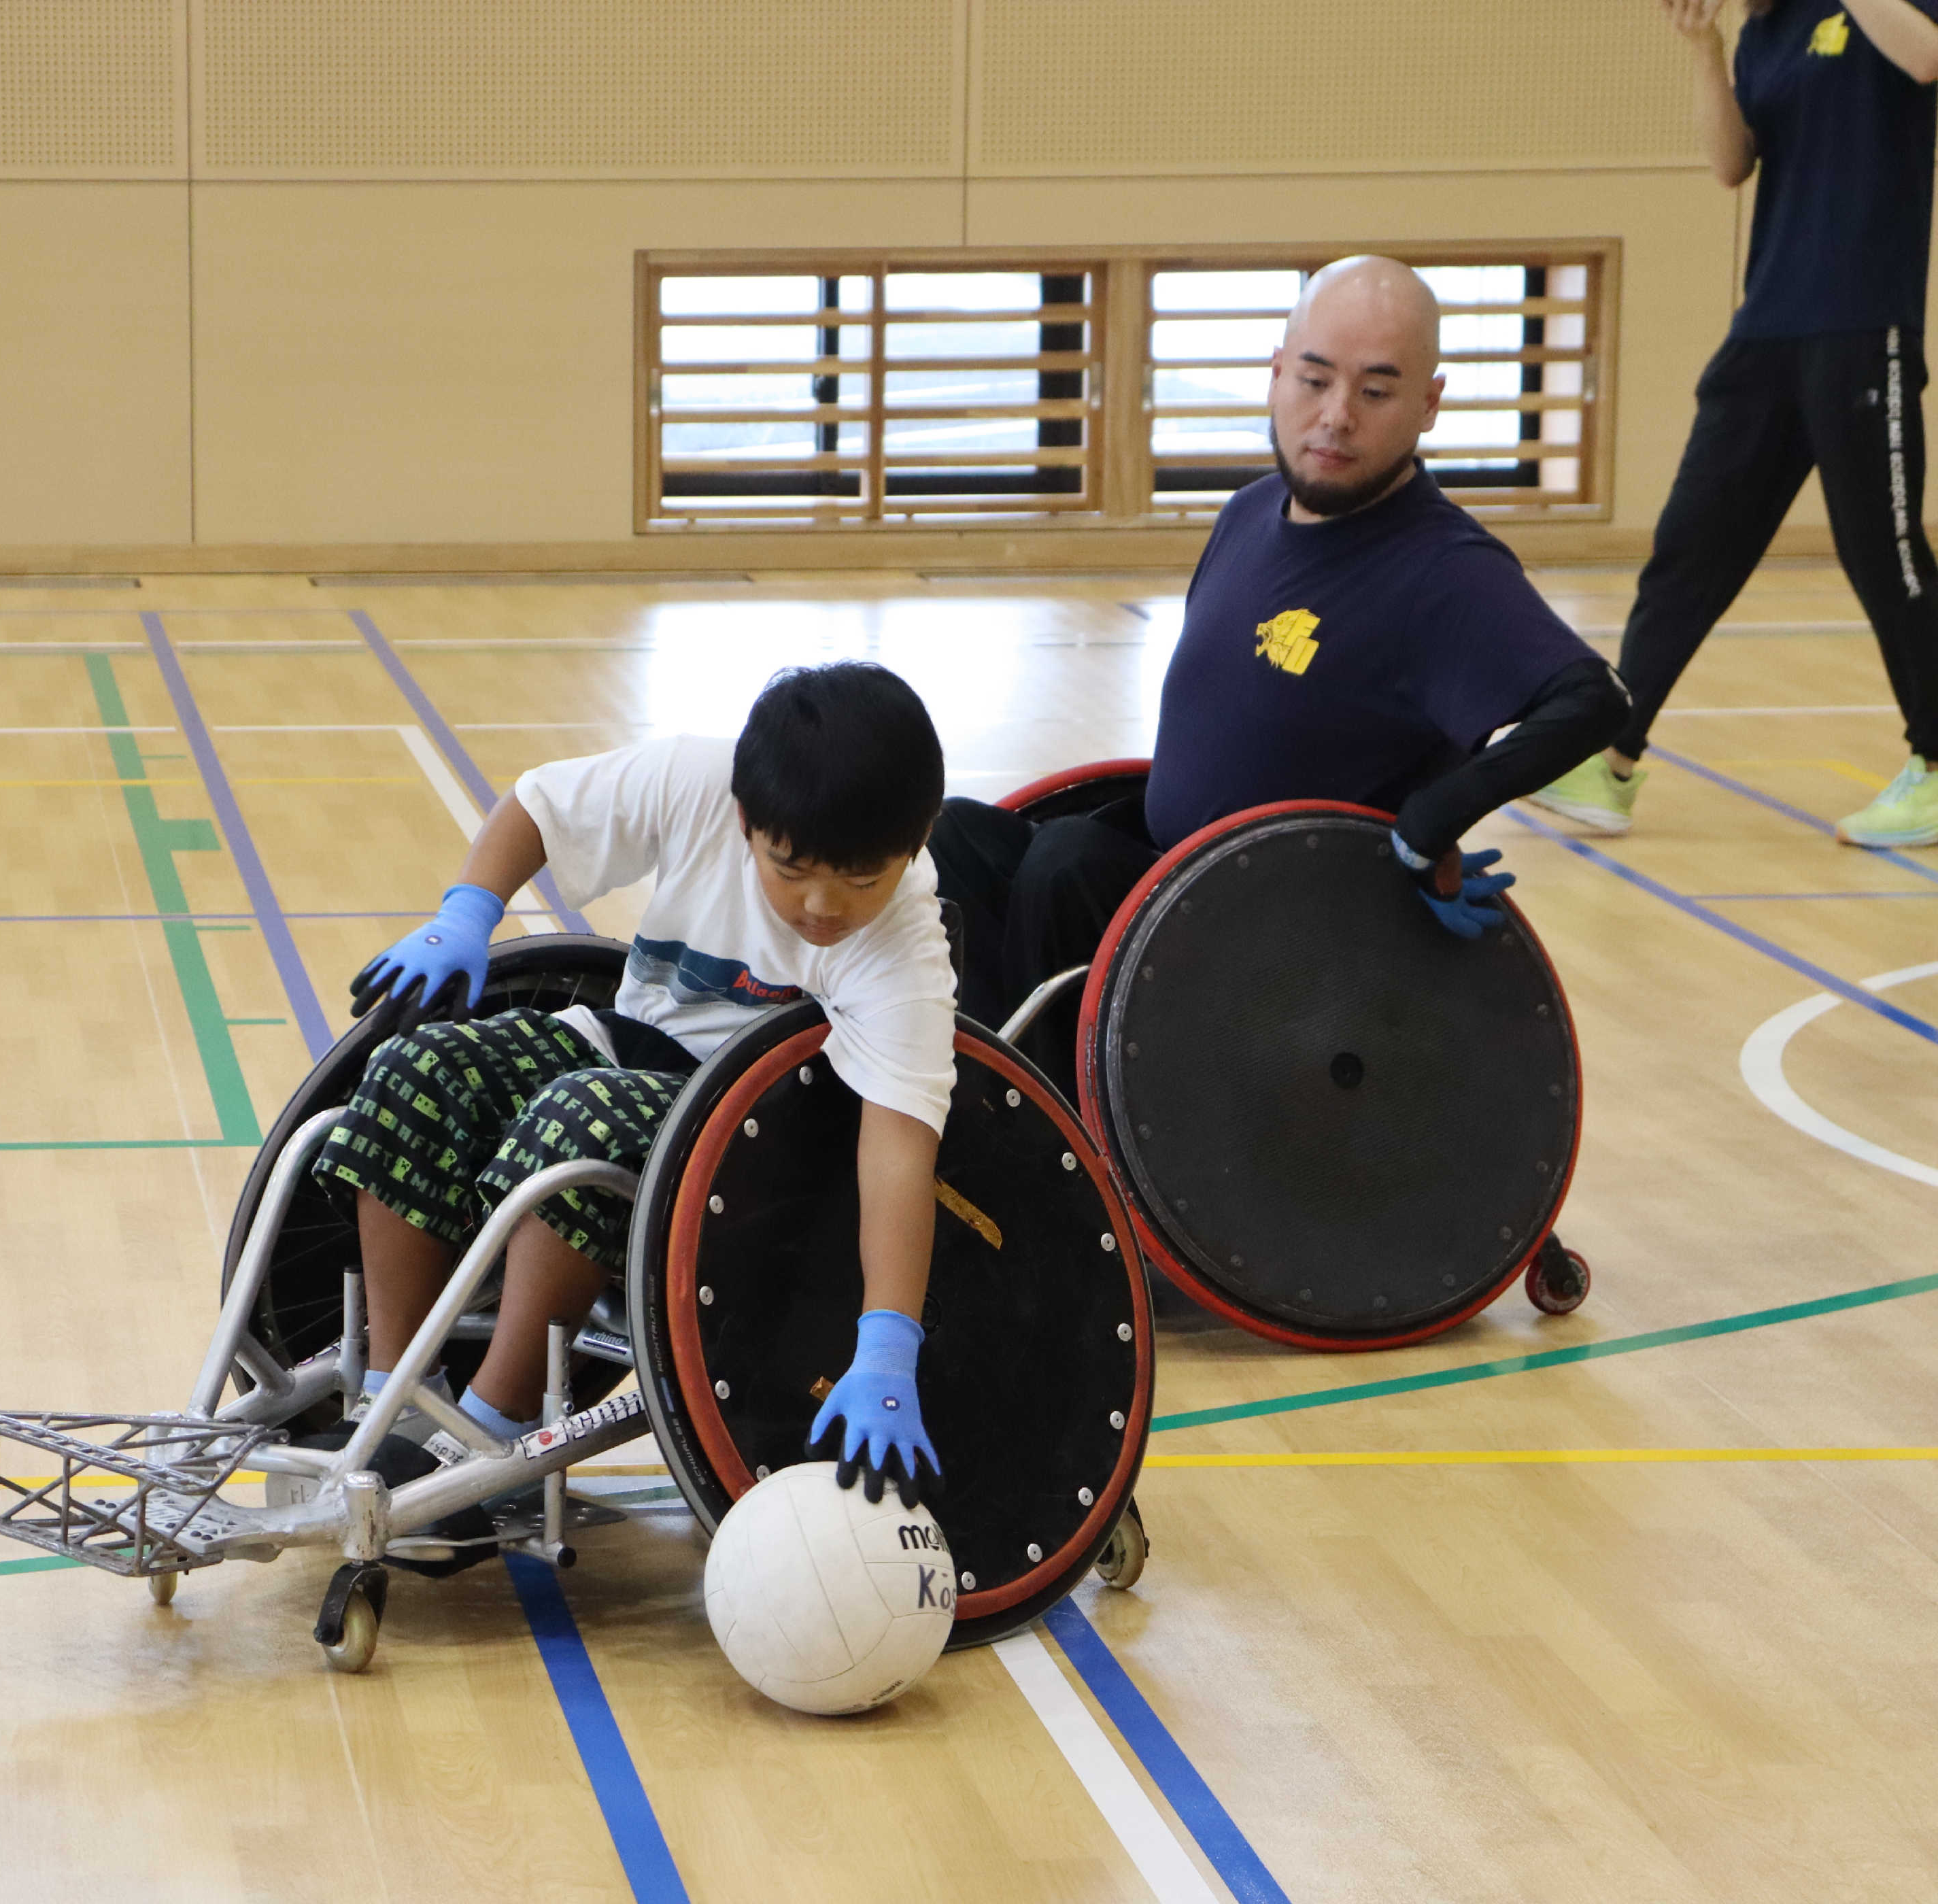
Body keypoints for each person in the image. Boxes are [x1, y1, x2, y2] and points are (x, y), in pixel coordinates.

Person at [928, 257, 1631, 1084]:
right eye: (1315, 379)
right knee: (954, 839)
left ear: (1429, 404)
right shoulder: (1248, 511)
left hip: (1283, 938)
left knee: (1070, 864)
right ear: (1275, 375)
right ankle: (964, 1088)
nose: (1335, 416)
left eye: (1375, 391)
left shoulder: (1445, 570)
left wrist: (1430, 822)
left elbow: (1591, 700)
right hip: (1171, 872)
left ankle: (1048, 1139)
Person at [322, 662, 957, 1510]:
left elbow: (897, 1157)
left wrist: (886, 1348)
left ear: (912, 849)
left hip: (758, 1147)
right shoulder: (696, 782)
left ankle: (493, 1429)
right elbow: (540, 808)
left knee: (578, 1117)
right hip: (630, 1049)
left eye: (861, 880)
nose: (820, 904)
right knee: (415, 1069)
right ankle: (396, 1395)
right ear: (746, 820)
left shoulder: (905, 947)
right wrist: (467, 912)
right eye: (790, 866)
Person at [1534, 0, 1938, 847]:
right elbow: (1730, 163)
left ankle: (1935, 767)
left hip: (1863, 328)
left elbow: (1930, 59)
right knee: (1689, 550)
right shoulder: (1769, 29)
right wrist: (1704, 49)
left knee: (1884, 556)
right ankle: (1610, 757)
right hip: (1766, 334)